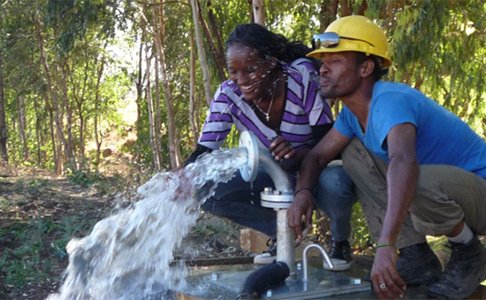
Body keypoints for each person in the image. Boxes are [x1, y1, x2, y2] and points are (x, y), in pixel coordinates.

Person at [288, 15, 486, 299]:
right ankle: (415, 254)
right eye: (323, 62)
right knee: (354, 153)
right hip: (448, 195)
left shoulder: (391, 100)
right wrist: (303, 192)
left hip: (480, 193)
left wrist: (385, 245)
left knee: (410, 178)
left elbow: (403, 162)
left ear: (366, 67)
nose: (323, 69)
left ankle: (469, 251)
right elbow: (317, 157)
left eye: (335, 61)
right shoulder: (351, 115)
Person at [184, 23, 356, 267]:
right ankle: (283, 234)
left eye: (251, 70)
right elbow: (205, 152)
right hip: (276, 173)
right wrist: (183, 176)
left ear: (272, 62)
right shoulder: (228, 96)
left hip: (318, 167)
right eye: (234, 71)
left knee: (336, 184)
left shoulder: (301, 80)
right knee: (204, 190)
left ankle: (340, 242)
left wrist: (298, 155)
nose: (241, 80)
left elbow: (327, 140)